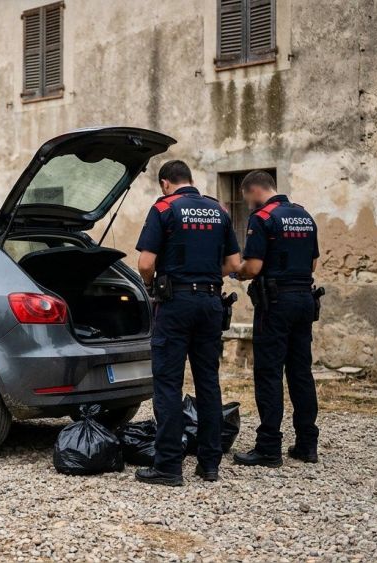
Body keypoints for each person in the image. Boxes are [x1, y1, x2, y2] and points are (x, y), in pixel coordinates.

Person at [134, 160, 241, 486]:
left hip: (175, 303)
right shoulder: (219, 210)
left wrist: (152, 284)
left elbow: (145, 263)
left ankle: (168, 466)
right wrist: (205, 275)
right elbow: (234, 263)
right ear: (190, 180)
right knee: (208, 382)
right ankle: (209, 464)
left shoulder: (164, 208)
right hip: (211, 303)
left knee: (168, 383)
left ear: (165, 183)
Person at [233, 170, 321, 467]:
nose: (248, 203)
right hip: (305, 299)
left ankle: (269, 448)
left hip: (276, 303)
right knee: (301, 372)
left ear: (254, 190)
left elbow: (253, 267)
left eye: (247, 198)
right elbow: (312, 263)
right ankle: (307, 444)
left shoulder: (263, 218)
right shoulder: (304, 216)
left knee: (269, 373)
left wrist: (237, 272)